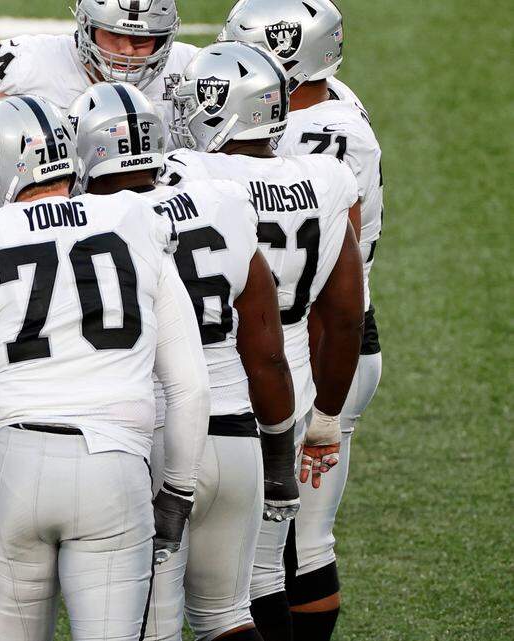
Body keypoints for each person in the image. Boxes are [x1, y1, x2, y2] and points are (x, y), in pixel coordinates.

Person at [0, 94, 210, 641]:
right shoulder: (136, 219)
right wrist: (177, 493)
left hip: (17, 465)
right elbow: (191, 387)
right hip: (115, 464)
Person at [70, 81, 298, 641]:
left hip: (152, 441)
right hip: (235, 436)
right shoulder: (221, 202)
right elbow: (267, 353)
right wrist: (279, 462)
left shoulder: (89, 224)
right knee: (228, 617)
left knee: (153, 627)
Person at [162, 40, 365, 641]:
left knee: (165, 583)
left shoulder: (188, 172)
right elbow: (346, 315)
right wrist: (328, 415)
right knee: (264, 575)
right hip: (292, 381)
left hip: (208, 376)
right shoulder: (326, 178)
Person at [220, 3, 384, 636]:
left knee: (288, 550)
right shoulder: (335, 100)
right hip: (335, 328)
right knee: (296, 542)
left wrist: (325, 409)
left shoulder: (313, 137)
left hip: (314, 339)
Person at [0, 0, 196, 125]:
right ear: (87, 28)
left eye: (141, 39)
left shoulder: (192, 67)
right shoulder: (24, 62)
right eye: (114, 35)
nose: (126, 50)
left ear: (162, 40)